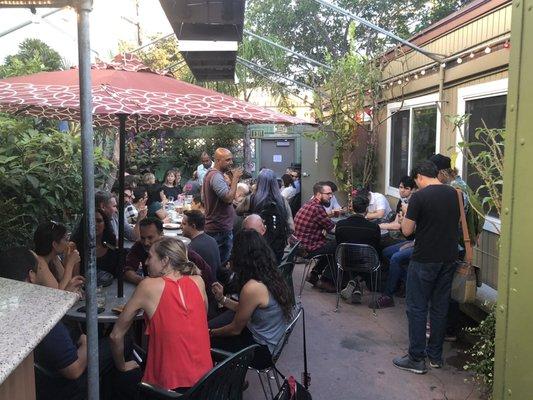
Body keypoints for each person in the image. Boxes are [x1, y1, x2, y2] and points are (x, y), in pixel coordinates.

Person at [0, 248, 138, 400]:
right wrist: (86, 342)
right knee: (123, 340)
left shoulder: (10, 305)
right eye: (39, 268)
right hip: (65, 385)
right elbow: (74, 370)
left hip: (41, 379)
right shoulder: (40, 316)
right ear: (31, 276)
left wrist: (65, 296)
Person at [110, 237, 212, 392]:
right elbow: (200, 319)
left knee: (117, 377)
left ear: (165, 261)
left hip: (167, 387)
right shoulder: (198, 280)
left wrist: (122, 365)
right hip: (207, 380)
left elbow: (115, 336)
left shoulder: (148, 286)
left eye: (150, 257)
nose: (146, 262)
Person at [392, 161, 460, 374]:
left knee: (417, 307)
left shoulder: (419, 197)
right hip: (449, 258)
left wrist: (405, 212)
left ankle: (416, 358)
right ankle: (436, 357)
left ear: (420, 177)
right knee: (439, 308)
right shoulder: (454, 194)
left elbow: (406, 231)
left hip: (424, 259)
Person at [209, 229, 293, 369]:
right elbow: (245, 308)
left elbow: (235, 329)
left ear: (242, 257)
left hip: (261, 352)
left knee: (205, 342)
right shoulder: (271, 274)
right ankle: (234, 379)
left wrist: (210, 333)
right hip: (271, 343)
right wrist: (222, 299)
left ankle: (228, 384)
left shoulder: (253, 287)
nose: (231, 255)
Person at [236, 168, 294, 264]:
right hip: (277, 250)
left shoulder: (251, 199)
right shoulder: (283, 201)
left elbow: (238, 211)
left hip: (255, 248)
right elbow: (291, 227)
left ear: (258, 183)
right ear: (275, 183)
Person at [335, 195, 381, 304]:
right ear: (366, 210)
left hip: (345, 262)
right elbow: (376, 247)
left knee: (348, 253)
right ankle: (357, 282)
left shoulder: (341, 225)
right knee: (376, 257)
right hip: (367, 263)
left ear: (352, 208)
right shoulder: (374, 228)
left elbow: (338, 244)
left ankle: (354, 283)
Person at [202, 147, 243, 264]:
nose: (231, 163)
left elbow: (203, 198)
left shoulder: (210, 174)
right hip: (219, 228)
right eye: (228, 160)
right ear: (218, 161)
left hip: (217, 226)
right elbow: (229, 198)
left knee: (216, 262)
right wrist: (235, 179)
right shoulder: (216, 176)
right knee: (221, 263)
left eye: (231, 160)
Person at [293, 181, 336, 292]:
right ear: (318, 194)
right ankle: (326, 280)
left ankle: (314, 274)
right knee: (337, 246)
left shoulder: (309, 204)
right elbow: (332, 229)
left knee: (328, 245)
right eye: (328, 194)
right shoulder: (317, 208)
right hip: (307, 249)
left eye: (331, 193)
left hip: (299, 245)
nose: (331, 196)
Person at [33, 221, 83, 293]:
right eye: (66, 239)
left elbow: (66, 282)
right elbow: (58, 293)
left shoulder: (54, 258)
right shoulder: (40, 262)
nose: (68, 243)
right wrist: (70, 264)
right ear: (55, 244)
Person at [182, 210, 221, 277]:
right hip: (215, 282)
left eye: (184, 224)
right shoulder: (212, 240)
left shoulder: (192, 249)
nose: (181, 226)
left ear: (193, 226)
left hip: (204, 284)